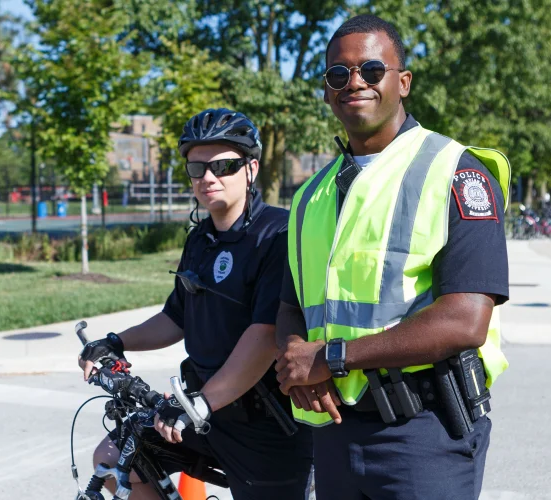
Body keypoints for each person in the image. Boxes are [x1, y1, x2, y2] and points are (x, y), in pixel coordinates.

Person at [274, 14, 511, 500]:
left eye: (371, 71)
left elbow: (465, 320)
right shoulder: (308, 196)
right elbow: (291, 305)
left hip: (424, 437)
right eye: (338, 74)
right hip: (334, 431)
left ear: (402, 83)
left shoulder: (457, 172)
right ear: (325, 90)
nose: (353, 82)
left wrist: (331, 359)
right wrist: (298, 365)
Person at [79, 108, 313, 500]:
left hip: (265, 425)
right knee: (115, 456)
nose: (208, 177)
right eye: (197, 167)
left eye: (223, 166)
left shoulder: (277, 235)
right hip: (202, 412)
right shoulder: (201, 238)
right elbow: (176, 317)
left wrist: (201, 404)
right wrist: (115, 342)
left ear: (251, 168)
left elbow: (265, 336)